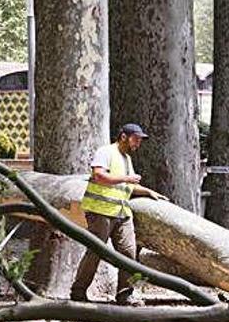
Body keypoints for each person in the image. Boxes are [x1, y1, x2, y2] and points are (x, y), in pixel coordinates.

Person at [70, 123, 167, 306]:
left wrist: (147, 192)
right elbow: (99, 176)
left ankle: (125, 294)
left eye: (139, 140)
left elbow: (127, 186)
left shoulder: (126, 159)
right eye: (135, 139)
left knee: (129, 253)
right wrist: (127, 178)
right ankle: (78, 292)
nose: (138, 143)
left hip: (122, 213)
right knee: (95, 252)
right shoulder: (106, 152)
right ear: (124, 137)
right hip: (100, 212)